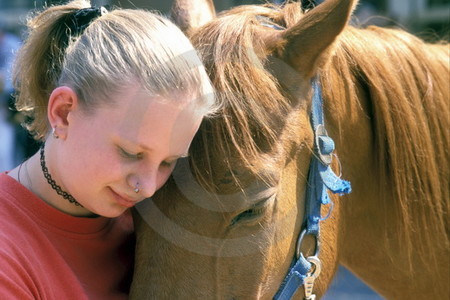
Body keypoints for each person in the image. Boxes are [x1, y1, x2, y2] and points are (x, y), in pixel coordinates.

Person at [0, 0, 218, 299]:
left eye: (168, 162)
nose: (148, 188)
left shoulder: (157, 223)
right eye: (131, 153)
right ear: (64, 113)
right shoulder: (7, 255)